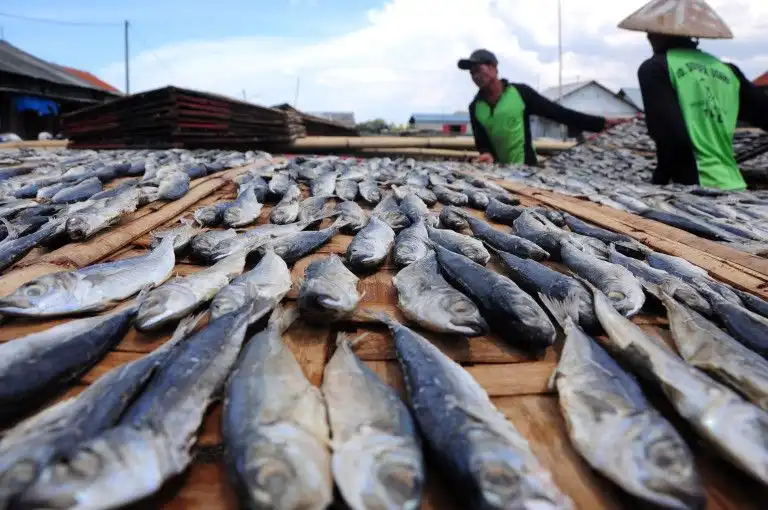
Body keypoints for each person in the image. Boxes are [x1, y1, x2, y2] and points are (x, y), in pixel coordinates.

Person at [619, 0, 768, 190]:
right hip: (733, 182)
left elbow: (672, 138)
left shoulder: (655, 69)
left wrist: (658, 181)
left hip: (692, 187)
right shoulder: (728, 71)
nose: (648, 36)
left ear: (658, 34)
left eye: (649, 32)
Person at [457, 49, 624, 166]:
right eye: (472, 73)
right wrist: (486, 154)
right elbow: (482, 142)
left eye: (478, 69)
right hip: (499, 174)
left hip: (526, 169)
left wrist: (601, 123)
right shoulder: (475, 107)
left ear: (493, 67)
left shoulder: (520, 93)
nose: (475, 76)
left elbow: (558, 113)